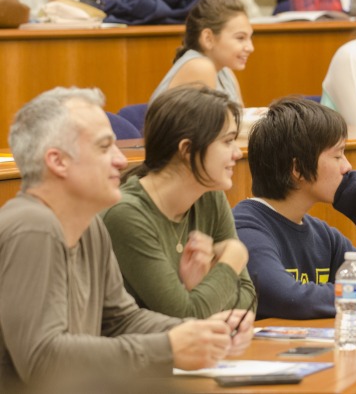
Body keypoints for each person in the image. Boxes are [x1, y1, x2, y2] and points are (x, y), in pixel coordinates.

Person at [0, 87, 253, 391]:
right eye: (105, 147)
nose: (121, 161)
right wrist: (170, 347)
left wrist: (200, 332)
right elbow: (42, 361)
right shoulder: (33, 227)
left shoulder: (90, 227)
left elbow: (121, 320)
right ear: (58, 161)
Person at [233, 97, 356, 319]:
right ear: (298, 169)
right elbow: (286, 297)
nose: (348, 167)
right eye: (338, 155)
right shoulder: (245, 228)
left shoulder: (323, 237)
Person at [102, 86, 255, 318]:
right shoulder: (126, 215)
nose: (236, 153)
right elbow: (183, 314)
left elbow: (249, 301)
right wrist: (234, 256)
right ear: (187, 150)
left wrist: (201, 287)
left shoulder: (208, 194)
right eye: (227, 142)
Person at [149, 0, 253, 106]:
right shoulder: (200, 67)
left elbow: (240, 120)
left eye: (249, 38)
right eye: (240, 38)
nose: (251, 48)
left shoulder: (225, 71)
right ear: (208, 38)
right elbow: (217, 123)